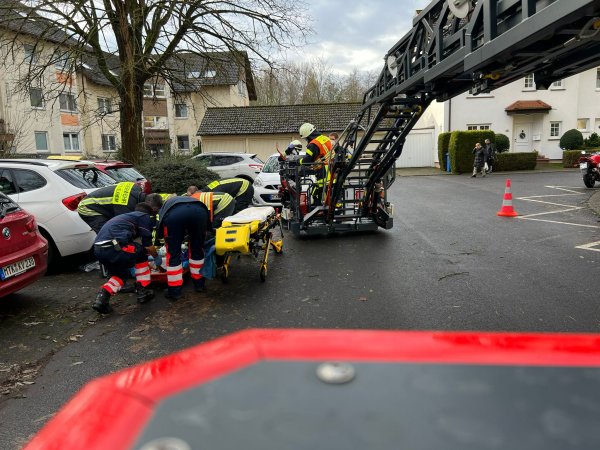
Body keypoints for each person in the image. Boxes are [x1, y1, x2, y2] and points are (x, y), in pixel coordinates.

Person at [91, 203, 157, 314]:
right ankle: (143, 290)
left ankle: (101, 299)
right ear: (148, 213)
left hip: (98, 249)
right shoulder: (143, 216)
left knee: (120, 275)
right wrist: (156, 257)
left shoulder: (125, 217)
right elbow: (148, 245)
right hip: (115, 246)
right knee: (141, 252)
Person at [154, 195, 211, 300]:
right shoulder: (193, 200)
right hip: (200, 211)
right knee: (197, 250)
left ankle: (175, 292)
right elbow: (208, 229)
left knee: (173, 254)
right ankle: (200, 285)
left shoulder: (165, 207)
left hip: (174, 215)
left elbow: (160, 230)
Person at [77, 181, 163, 233]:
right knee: (110, 233)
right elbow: (122, 225)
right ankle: (108, 259)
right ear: (147, 204)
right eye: (152, 211)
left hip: (101, 205)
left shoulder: (136, 189)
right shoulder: (125, 205)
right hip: (88, 207)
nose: (151, 213)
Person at [298, 122, 333, 205]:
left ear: (308, 135)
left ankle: (321, 212)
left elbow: (307, 161)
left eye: (306, 138)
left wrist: (298, 161)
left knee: (316, 194)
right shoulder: (325, 138)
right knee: (332, 194)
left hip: (324, 174)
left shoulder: (313, 144)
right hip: (333, 171)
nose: (307, 140)